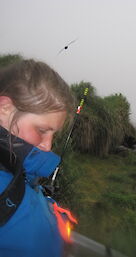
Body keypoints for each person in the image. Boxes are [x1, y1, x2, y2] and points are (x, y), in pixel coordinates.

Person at [0, 59, 75, 257]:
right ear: (4, 108)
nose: (48, 146)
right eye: (42, 130)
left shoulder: (18, 167)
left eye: (53, 134)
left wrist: (43, 199)